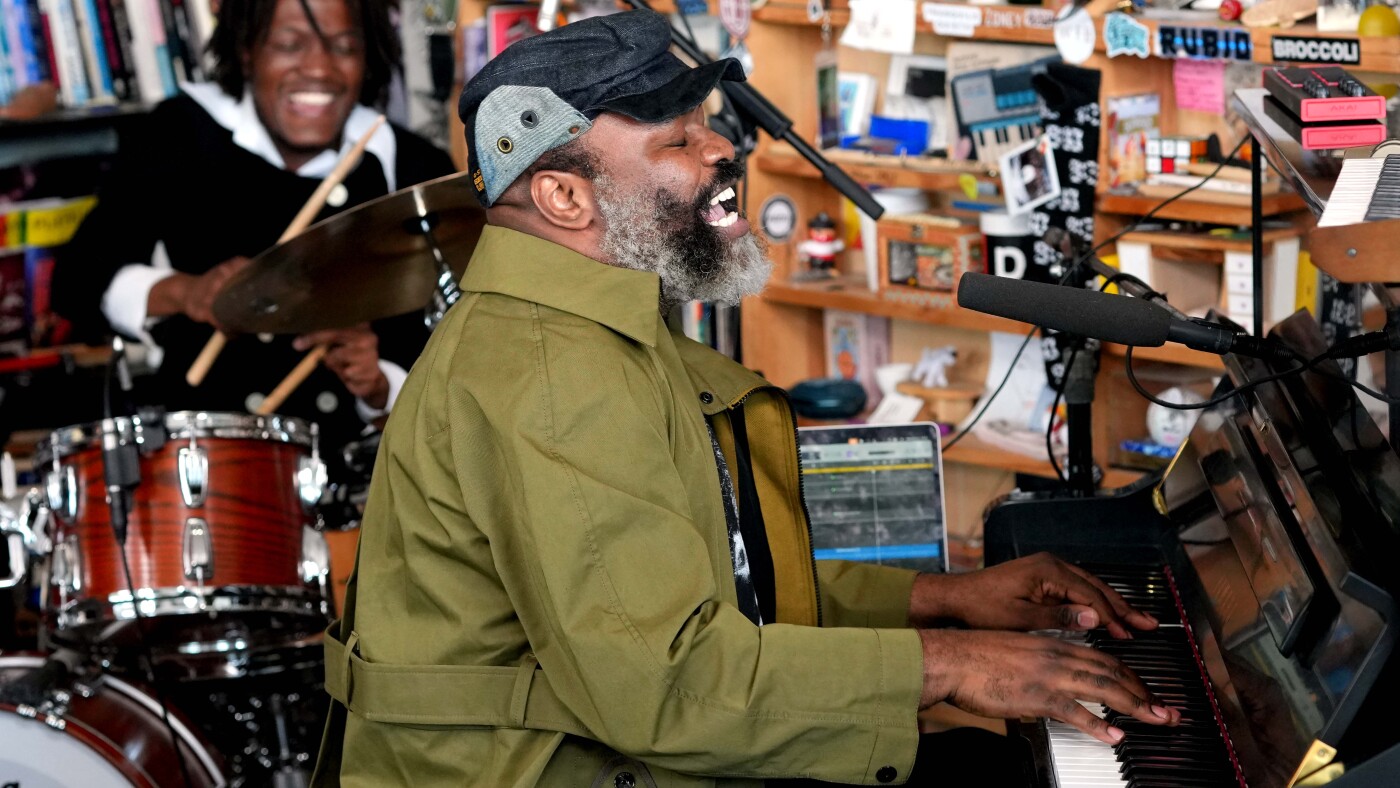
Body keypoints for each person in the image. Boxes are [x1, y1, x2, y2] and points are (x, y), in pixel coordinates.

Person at [313, 11, 1181, 787]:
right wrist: (950, 664)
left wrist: (941, 599)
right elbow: (671, 683)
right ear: (564, 195)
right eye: (675, 140)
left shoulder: (590, 325)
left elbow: (706, 582)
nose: (721, 148)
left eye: (706, 126)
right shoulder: (551, 374)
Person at [51, 0, 455, 451]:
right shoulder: (181, 133)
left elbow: (448, 360)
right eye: (288, 44)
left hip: (349, 467)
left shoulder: (413, 168)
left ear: (369, 58)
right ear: (246, 50)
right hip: (204, 458)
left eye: (344, 48)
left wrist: (378, 382)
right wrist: (185, 293)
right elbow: (78, 280)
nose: (319, 70)